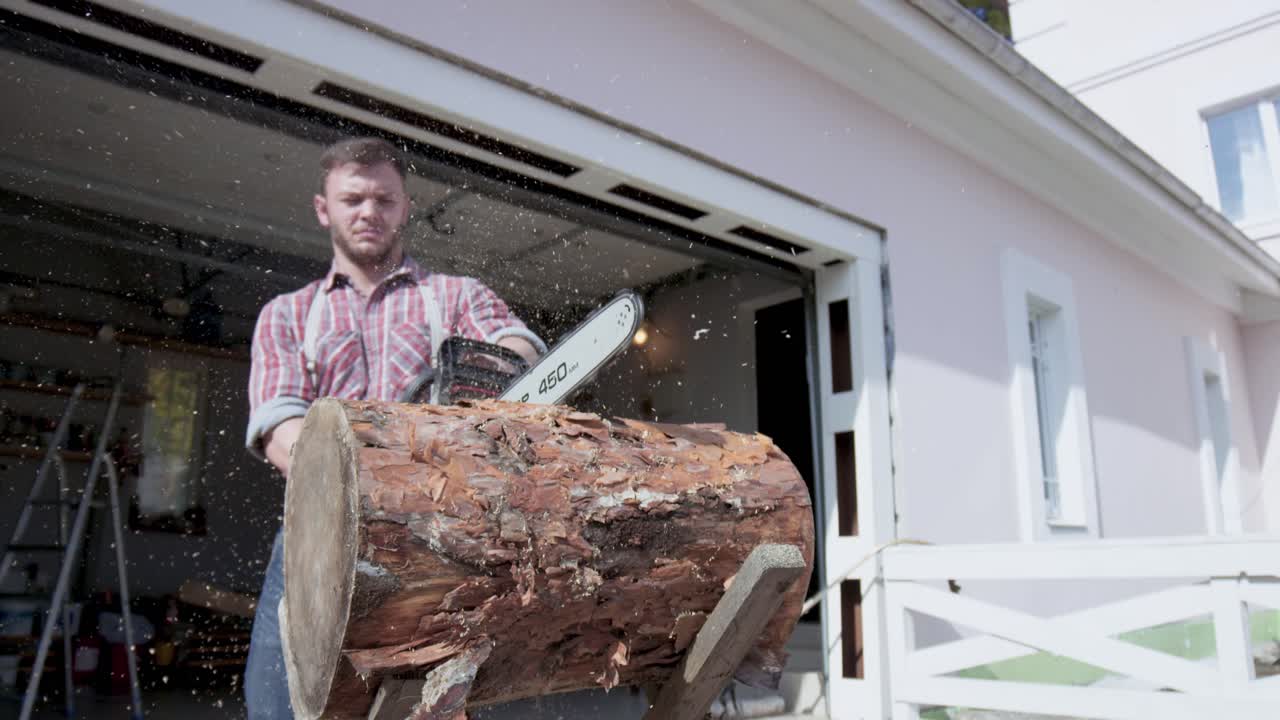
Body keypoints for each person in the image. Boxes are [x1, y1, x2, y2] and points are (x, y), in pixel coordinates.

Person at [241, 136, 545, 718]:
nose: (369, 212)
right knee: (280, 703)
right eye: (353, 198)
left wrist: (484, 376)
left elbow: (519, 349)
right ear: (323, 208)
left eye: (384, 199)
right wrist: (362, 471)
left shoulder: (455, 296)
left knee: (424, 706)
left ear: (406, 206)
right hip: (314, 536)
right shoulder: (288, 314)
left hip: (432, 538)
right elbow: (279, 425)